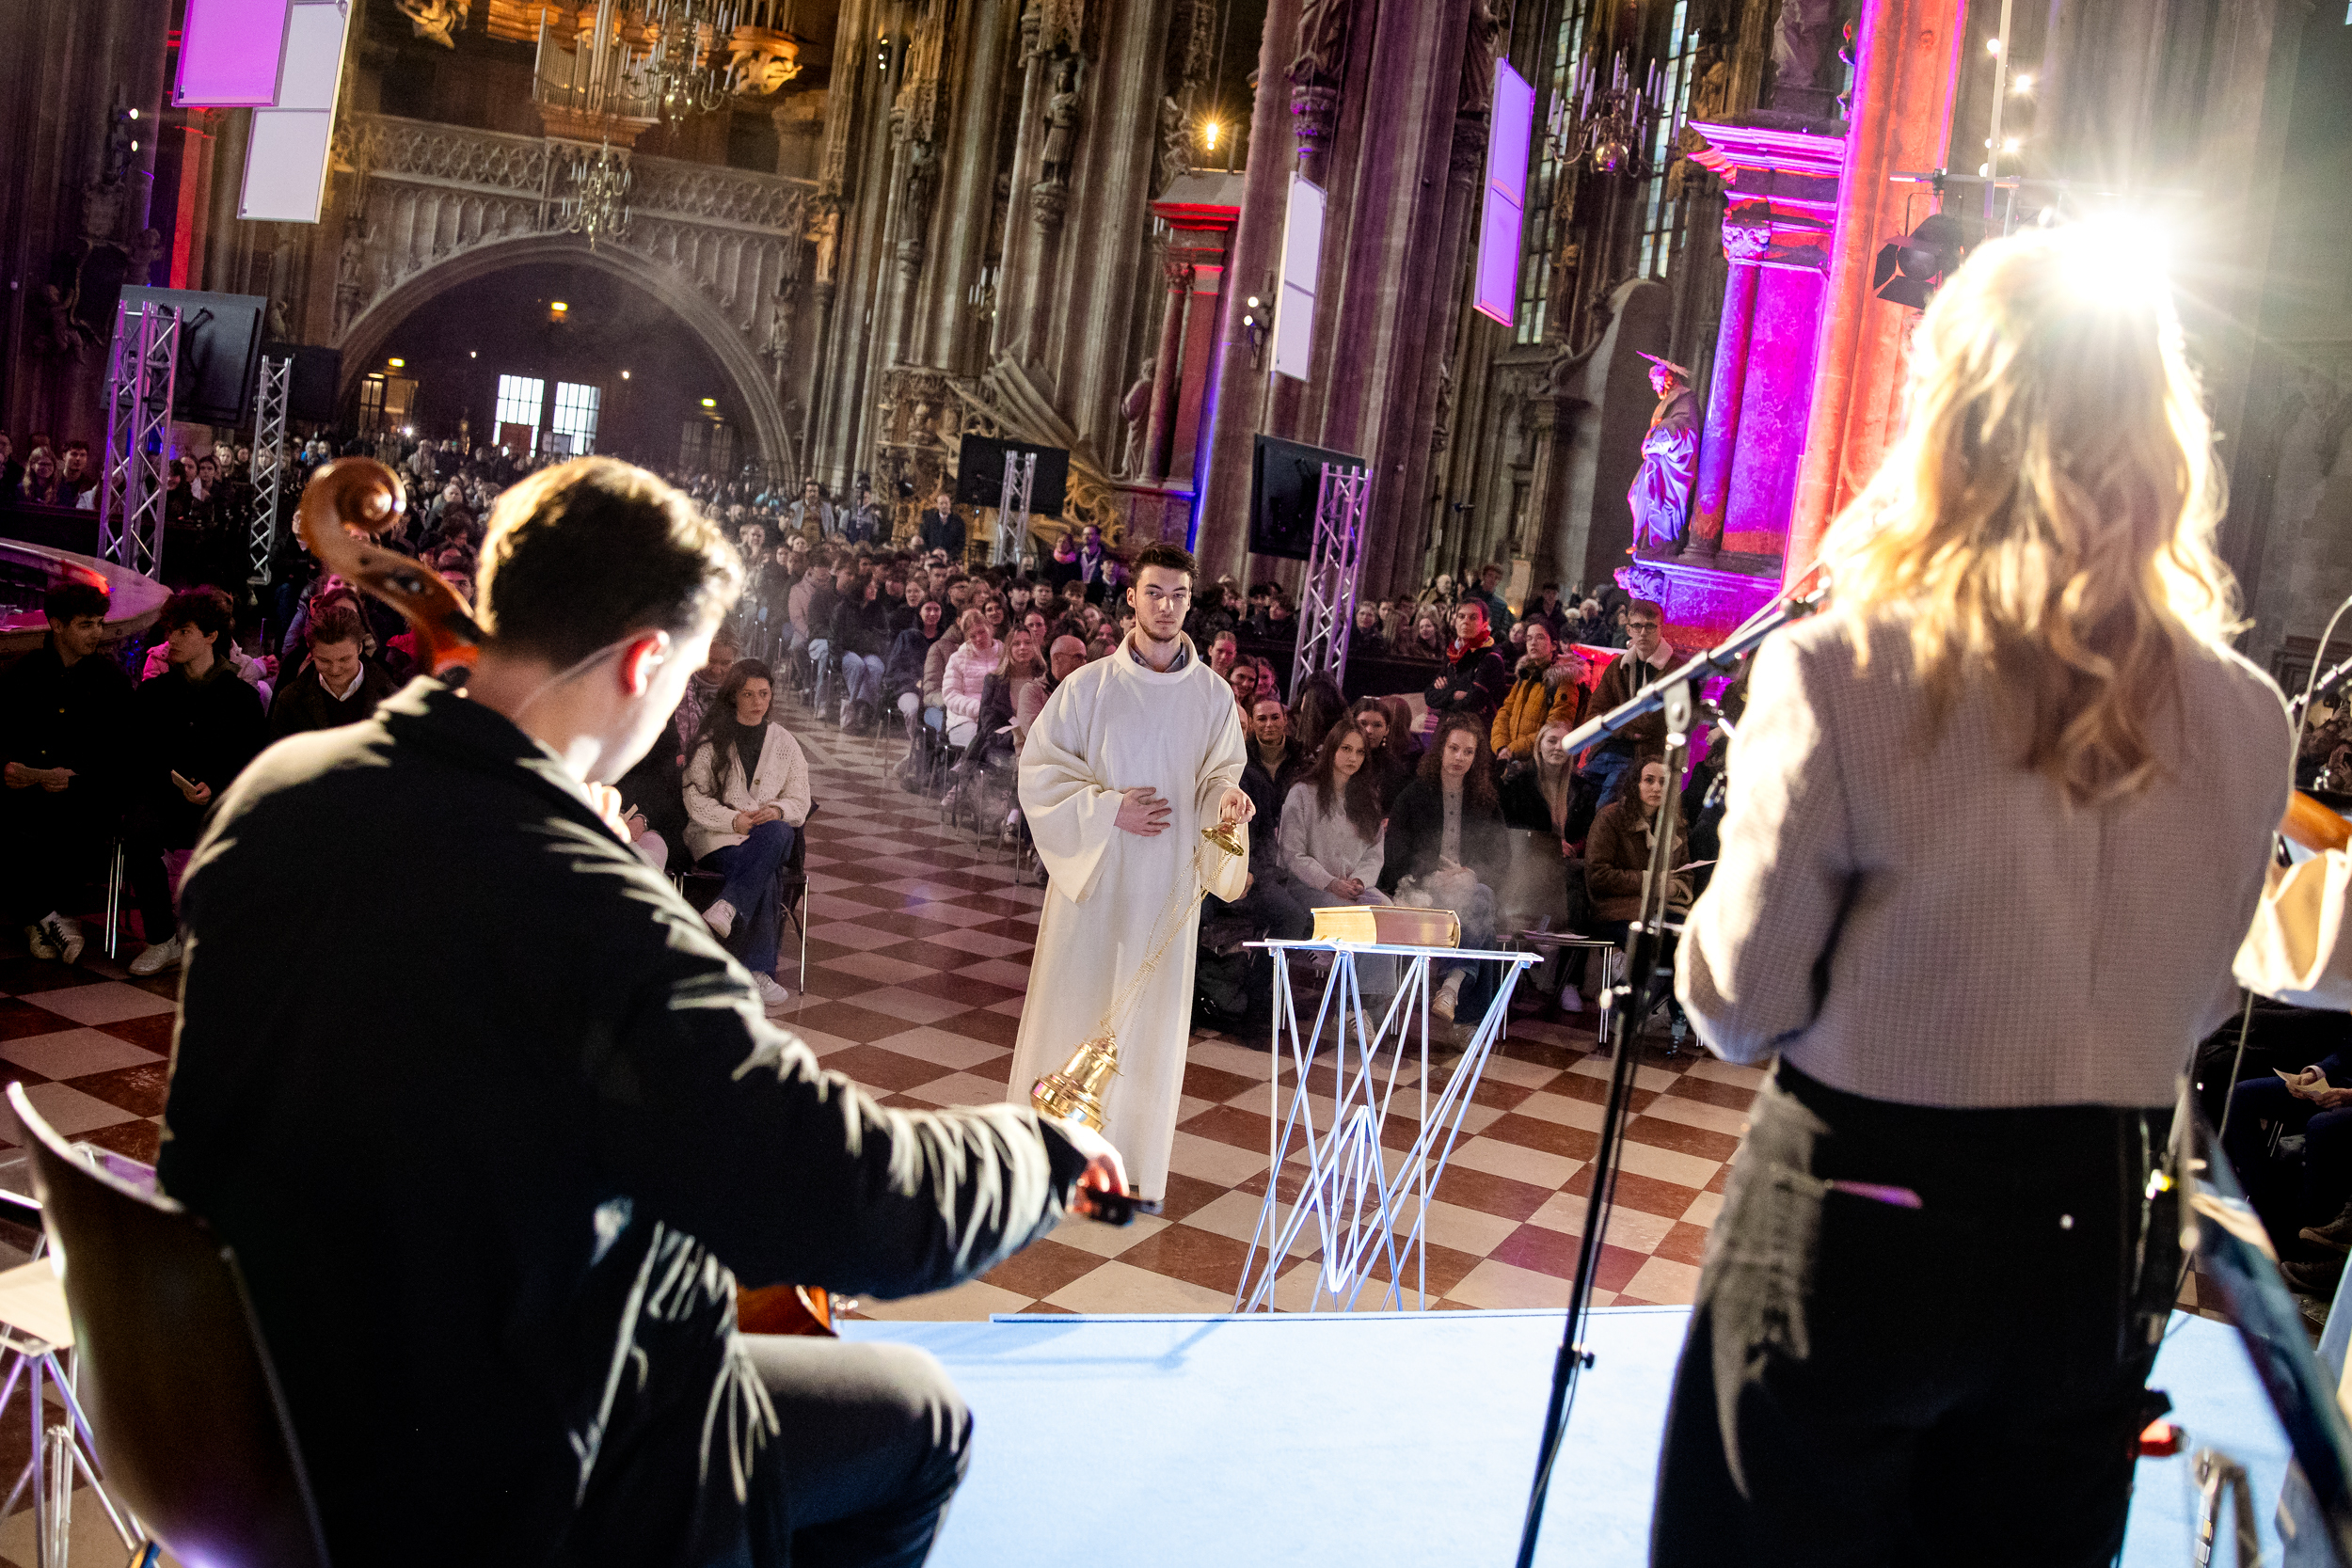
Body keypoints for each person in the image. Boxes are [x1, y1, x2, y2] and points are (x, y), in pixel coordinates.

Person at [161, 455, 1133, 1568]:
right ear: (642, 663)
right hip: (494, 1476)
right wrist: (1038, 1150)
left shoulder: (280, 790)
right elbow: (851, 1200)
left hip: (258, 1415)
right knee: (917, 1418)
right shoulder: (593, 915)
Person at [1651, 225, 2295, 1567]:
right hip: (2096, 1237)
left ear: (1950, 421)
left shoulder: (1848, 670)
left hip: (1863, 1222)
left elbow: (1738, 1004)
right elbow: (2206, 996)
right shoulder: (2248, 717)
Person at [1008, 540, 1252, 1201]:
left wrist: (1227, 802)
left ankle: (1130, 1165)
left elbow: (1219, 777)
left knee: (1148, 1022)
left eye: (1178, 595)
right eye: (1154, 593)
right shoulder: (1088, 686)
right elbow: (1041, 773)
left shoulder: (1214, 697)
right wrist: (1111, 809)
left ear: (1190, 603)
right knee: (1075, 999)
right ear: (1132, 599)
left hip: (1167, 880)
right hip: (1096, 875)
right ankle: (1047, 1159)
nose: (1166, 606)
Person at [125, 586, 270, 975]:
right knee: (138, 829)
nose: (171, 639)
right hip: (164, 799)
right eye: (170, 630)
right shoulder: (154, 693)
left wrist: (215, 786)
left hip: (218, 803)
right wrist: (169, 783)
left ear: (210, 636)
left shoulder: (241, 697)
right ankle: (161, 938)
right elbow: (139, 754)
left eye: (183, 631)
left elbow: (252, 763)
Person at [2, 578, 131, 964]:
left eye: (99, 624)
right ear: (57, 625)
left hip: (85, 792)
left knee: (63, 825)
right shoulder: (22, 673)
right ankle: (47, 918)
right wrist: (8, 766)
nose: (97, 633)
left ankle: (37, 918)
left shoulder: (110, 680)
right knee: (15, 821)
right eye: (86, 624)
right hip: (24, 788)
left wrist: (76, 775)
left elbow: (122, 748)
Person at [682, 657, 808, 1008]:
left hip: (765, 836)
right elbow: (694, 797)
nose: (757, 702)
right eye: (748, 694)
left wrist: (777, 810)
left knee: (779, 831)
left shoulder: (785, 742)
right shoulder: (711, 741)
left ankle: (727, 906)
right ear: (733, 696)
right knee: (766, 872)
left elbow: (800, 799)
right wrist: (732, 820)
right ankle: (758, 972)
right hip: (718, 837)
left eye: (763, 693)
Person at [1379, 714, 1508, 1022]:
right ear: (1440, 749)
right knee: (1484, 917)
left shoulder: (1485, 800)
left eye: (1468, 752)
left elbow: (1501, 857)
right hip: (1419, 892)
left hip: (1467, 893)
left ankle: (1451, 986)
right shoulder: (1413, 795)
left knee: (1480, 896)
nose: (1460, 757)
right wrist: (1432, 877)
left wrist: (1470, 875)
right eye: (1454, 748)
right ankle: (1465, 1013)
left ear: (1476, 758)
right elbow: (1395, 855)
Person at [1278, 719, 1389, 911]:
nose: (1353, 758)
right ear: (1332, 749)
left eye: (1360, 752)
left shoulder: (1368, 799)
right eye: (1346, 749)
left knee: (1387, 910)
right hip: (1309, 886)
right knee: (1347, 914)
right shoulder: (1302, 793)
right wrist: (1330, 883)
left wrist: (1359, 880)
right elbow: (1292, 853)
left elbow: (1374, 854)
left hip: (1354, 888)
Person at [1577, 599, 1674, 804]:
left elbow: (1653, 721)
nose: (1643, 632)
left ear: (1661, 628)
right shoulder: (1618, 666)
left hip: (1643, 758)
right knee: (1577, 802)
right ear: (1628, 629)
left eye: (1650, 626)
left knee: (1606, 807)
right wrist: (1629, 726)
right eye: (1637, 626)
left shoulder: (1674, 669)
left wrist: (1614, 718)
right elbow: (1593, 716)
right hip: (1605, 751)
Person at [267, 604, 400, 738]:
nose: (335, 670)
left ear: (360, 647)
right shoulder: (290, 700)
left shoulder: (393, 698)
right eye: (324, 661)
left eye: (344, 659)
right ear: (311, 653)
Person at [1423, 599, 1510, 726]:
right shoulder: (1453, 653)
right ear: (1455, 622)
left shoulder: (1490, 658)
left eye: (1473, 618)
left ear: (1485, 623)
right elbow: (1430, 695)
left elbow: (1473, 702)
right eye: (1461, 616)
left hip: (1477, 728)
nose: (1465, 621)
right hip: (1449, 724)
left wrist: (1445, 695)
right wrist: (1455, 695)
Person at [829, 570, 895, 731]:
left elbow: (884, 636)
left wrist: (874, 646)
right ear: (860, 588)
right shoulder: (843, 608)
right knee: (857, 665)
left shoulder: (878, 609)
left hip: (870, 651)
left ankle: (864, 709)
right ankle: (850, 713)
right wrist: (836, 659)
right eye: (869, 587)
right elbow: (836, 637)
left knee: (875, 667)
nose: (874, 590)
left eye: (875, 588)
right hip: (846, 651)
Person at [1491, 623, 1563, 761]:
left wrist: (1512, 750)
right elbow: (1505, 712)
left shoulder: (1561, 681)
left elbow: (1554, 728)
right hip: (1510, 759)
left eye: (1540, 637)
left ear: (1554, 645)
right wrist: (1501, 745)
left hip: (1538, 763)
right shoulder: (1525, 676)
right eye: (1529, 638)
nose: (1533, 643)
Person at [941, 607, 1003, 748]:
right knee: (980, 745)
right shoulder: (957, 658)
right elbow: (950, 695)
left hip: (997, 719)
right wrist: (980, 708)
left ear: (990, 629)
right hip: (964, 720)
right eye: (972, 636)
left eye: (982, 632)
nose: (978, 639)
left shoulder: (1004, 655)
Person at [916, 487, 965, 558]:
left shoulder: (958, 521)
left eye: (946, 503)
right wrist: (931, 552)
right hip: (932, 556)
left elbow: (961, 542)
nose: (944, 506)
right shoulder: (929, 520)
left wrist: (949, 555)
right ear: (937, 505)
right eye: (941, 503)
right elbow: (924, 537)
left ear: (950, 504)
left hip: (951, 558)